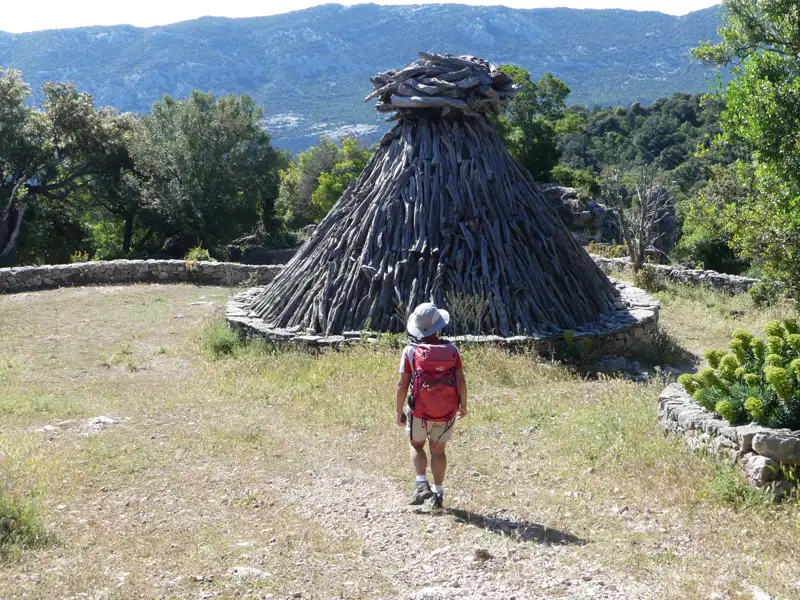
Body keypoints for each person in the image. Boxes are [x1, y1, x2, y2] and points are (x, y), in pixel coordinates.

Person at [396, 302, 468, 508]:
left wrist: (399, 411)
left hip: (419, 411)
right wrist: (463, 405)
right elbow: (461, 380)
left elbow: (402, 384)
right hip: (446, 411)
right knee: (438, 451)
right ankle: (437, 493)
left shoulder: (410, 351)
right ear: (439, 326)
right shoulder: (452, 350)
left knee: (416, 445)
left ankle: (421, 484)